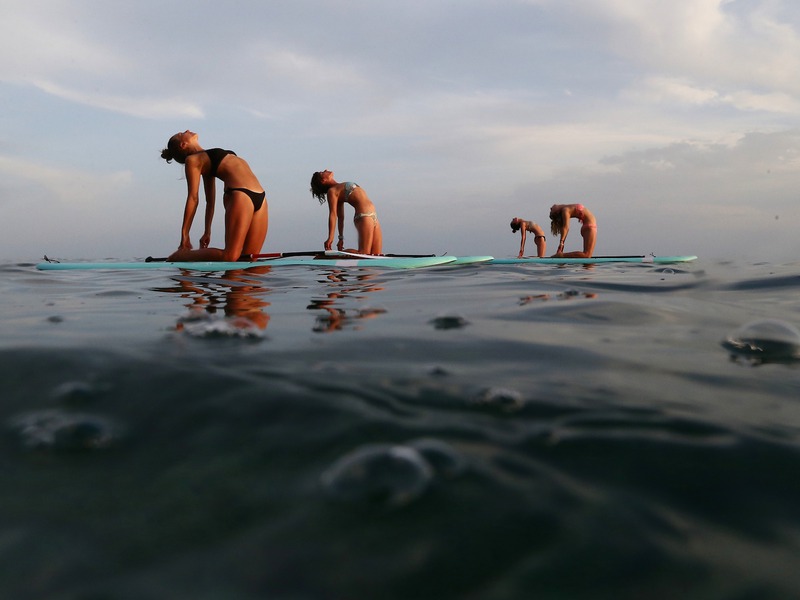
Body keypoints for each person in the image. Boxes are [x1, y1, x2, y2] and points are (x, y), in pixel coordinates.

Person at [160, 130, 268, 262]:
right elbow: (193, 198)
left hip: (260, 197)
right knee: (230, 256)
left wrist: (207, 231)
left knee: (249, 259)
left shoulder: (205, 157)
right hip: (240, 195)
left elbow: (210, 202)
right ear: (183, 144)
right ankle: (180, 256)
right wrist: (185, 234)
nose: (187, 130)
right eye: (182, 133)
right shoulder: (192, 160)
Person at [309, 170, 382, 255]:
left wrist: (340, 238)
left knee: (376, 254)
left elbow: (341, 217)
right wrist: (331, 237)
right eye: (322, 172)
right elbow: (333, 214)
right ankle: (334, 255)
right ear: (323, 180)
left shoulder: (338, 188)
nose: (325, 170)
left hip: (374, 217)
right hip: (364, 216)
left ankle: (337, 255)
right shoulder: (332, 191)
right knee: (364, 252)